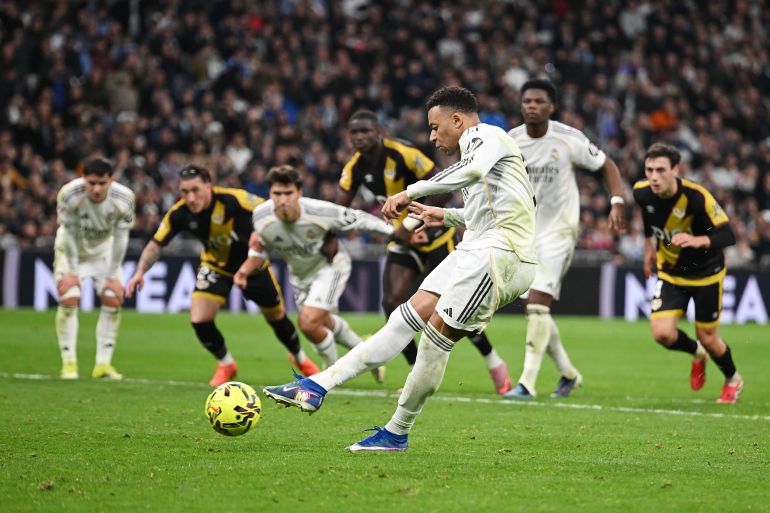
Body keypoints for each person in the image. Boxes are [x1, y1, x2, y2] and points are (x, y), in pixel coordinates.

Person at [262, 86, 537, 452]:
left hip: (502, 255)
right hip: (477, 246)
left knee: (434, 338)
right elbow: (487, 212)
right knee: (403, 317)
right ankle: (316, 386)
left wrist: (411, 192)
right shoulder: (481, 153)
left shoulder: (486, 136)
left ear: (457, 120)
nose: (432, 136)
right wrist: (445, 215)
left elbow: (470, 172)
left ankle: (396, 432)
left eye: (435, 127)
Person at [337, 109, 514, 395]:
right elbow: (341, 211)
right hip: (403, 240)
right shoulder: (354, 168)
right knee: (391, 303)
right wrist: (390, 232)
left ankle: (494, 361)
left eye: (365, 131)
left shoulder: (404, 154)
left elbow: (442, 188)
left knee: (455, 306)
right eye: (354, 132)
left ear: (379, 132)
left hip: (434, 234)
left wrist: (410, 224)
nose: (359, 137)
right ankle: (413, 374)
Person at [125, 164, 319, 386]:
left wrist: (265, 231)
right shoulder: (179, 213)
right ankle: (226, 364)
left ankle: (300, 358)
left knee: (276, 317)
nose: (190, 197)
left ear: (209, 186)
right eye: (185, 191)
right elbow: (155, 244)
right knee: (199, 318)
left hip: (253, 267)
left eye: (195, 190)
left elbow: (271, 208)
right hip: (216, 266)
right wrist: (140, 271)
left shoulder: (234, 200)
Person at [505, 79, 627, 400]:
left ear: (552, 107)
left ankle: (527, 384)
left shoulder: (568, 138)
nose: (532, 106)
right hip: (525, 232)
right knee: (534, 309)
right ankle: (568, 373)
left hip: (559, 230)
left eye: (538, 101)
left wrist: (616, 201)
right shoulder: (511, 140)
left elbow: (607, 165)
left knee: (537, 303)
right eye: (527, 101)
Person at [234, 165, 392, 381]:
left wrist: (396, 233)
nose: (282, 200)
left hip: (331, 266)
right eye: (277, 193)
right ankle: (369, 355)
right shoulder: (261, 216)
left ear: (299, 192)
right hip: (300, 277)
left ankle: (329, 376)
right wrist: (243, 271)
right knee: (323, 322)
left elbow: (360, 218)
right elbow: (259, 248)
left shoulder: (319, 211)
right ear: (269, 193)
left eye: (288, 193)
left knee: (308, 323)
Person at [633, 143, 743, 404]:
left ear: (676, 170)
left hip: (706, 275)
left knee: (709, 337)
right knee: (662, 333)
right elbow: (648, 217)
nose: (654, 177)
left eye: (661, 170)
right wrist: (648, 248)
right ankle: (697, 352)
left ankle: (733, 379)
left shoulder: (697, 197)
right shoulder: (642, 192)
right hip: (671, 273)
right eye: (649, 170)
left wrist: (698, 240)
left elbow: (728, 235)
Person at [54, 157, 135, 380]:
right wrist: (72, 271)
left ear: (111, 180)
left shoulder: (124, 198)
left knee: (112, 298)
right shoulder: (69, 194)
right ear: (83, 179)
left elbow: (121, 237)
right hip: (71, 250)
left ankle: (103, 365)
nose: (96, 189)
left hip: (103, 251)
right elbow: (69, 233)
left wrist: (113, 274)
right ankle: (69, 364)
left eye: (102, 183)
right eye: (91, 183)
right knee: (69, 297)